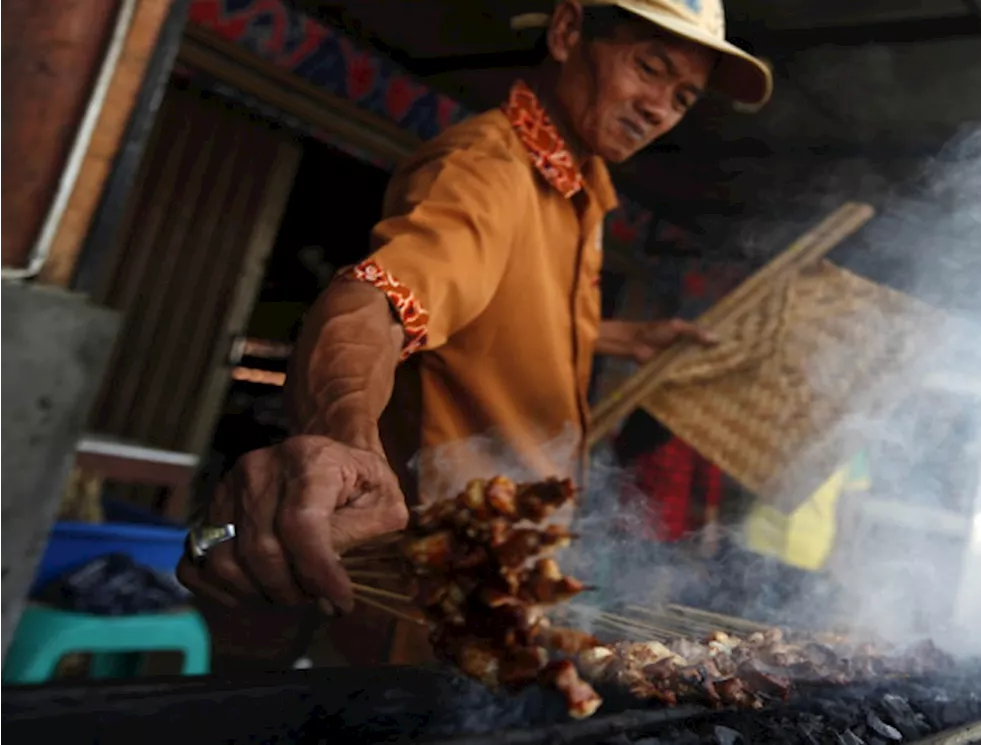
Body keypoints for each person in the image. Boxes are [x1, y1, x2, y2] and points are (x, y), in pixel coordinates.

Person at [176, 0, 772, 665]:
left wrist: (621, 338)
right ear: (569, 31)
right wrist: (342, 439)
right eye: (649, 68)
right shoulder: (485, 169)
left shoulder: (584, 186)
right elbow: (373, 301)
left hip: (508, 571)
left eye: (683, 96)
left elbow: (504, 314)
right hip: (427, 588)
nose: (660, 106)